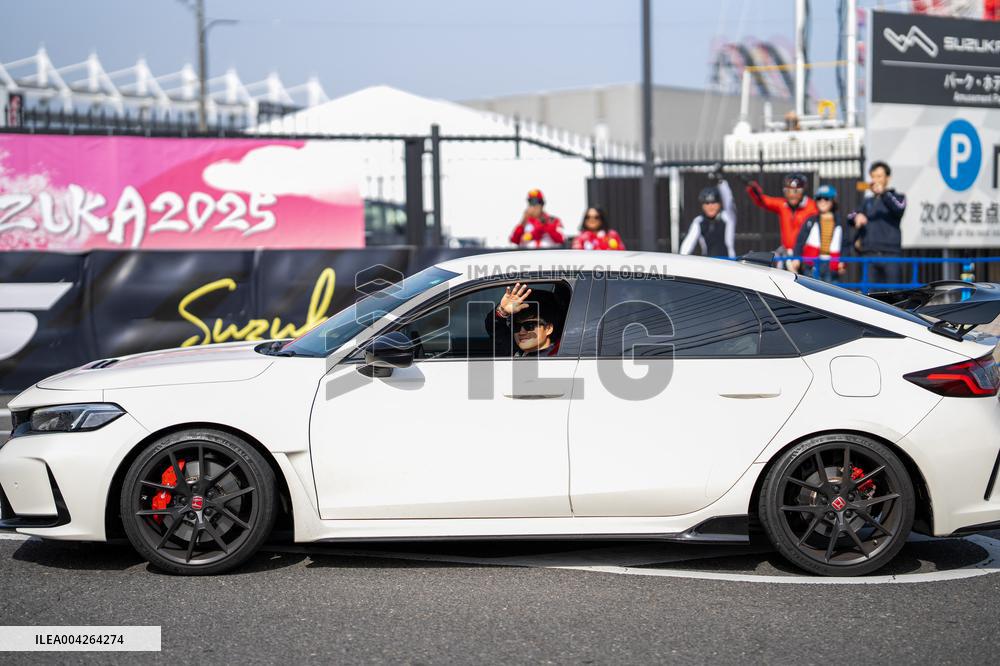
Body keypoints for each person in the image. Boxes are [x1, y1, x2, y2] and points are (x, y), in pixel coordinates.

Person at [848, 161, 906, 286]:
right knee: (868, 297)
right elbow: (850, 216)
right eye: (873, 177)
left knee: (894, 296)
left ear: (888, 178)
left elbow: (899, 209)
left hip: (891, 255)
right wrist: (857, 217)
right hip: (869, 255)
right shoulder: (867, 201)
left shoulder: (898, 197)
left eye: (879, 176)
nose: (875, 180)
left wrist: (884, 193)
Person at [745, 172, 818, 260]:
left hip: (805, 254)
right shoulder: (783, 205)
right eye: (787, 191)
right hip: (786, 252)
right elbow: (763, 201)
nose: (791, 195)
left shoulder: (812, 207)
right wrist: (752, 187)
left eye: (796, 191)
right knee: (768, 261)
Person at [789, 184, 850, 283]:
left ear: (833, 201)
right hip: (812, 264)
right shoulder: (811, 220)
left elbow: (846, 244)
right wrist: (796, 258)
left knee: (832, 294)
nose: (822, 201)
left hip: (832, 265)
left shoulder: (841, 221)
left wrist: (843, 261)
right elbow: (800, 241)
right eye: (819, 198)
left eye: (826, 198)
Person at [486, 283, 562, 356]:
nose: (521, 332)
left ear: (548, 328)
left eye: (529, 326)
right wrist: (503, 311)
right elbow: (494, 327)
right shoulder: (515, 352)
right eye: (516, 326)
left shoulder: (558, 359)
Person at [680, 186, 736, 258]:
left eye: (713, 202)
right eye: (707, 203)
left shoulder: (727, 217)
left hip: (729, 262)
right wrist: (681, 258)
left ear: (719, 204)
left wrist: (721, 183)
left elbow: (729, 201)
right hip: (709, 263)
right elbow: (688, 244)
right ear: (702, 205)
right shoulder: (699, 221)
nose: (710, 206)